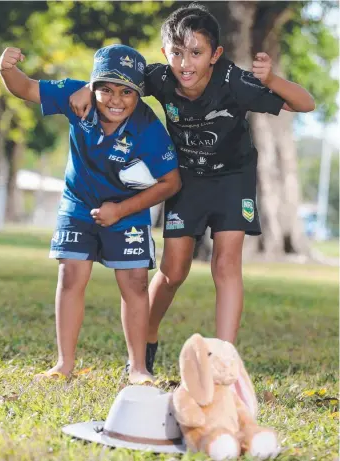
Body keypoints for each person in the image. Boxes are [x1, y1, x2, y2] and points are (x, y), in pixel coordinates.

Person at [69, 4, 315, 377]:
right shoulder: (161, 78)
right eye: (177, 53)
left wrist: (272, 80)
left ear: (214, 55)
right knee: (173, 269)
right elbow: (115, 78)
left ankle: (224, 359)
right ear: (165, 52)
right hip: (187, 180)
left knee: (227, 263)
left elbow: (306, 103)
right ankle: (146, 340)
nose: (186, 63)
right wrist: (88, 88)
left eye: (196, 53)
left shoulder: (234, 82)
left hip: (233, 178)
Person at [0, 44, 181, 385]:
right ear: (92, 86)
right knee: (70, 276)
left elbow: (170, 182)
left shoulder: (148, 128)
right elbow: (25, 88)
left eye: (127, 91)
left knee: (136, 283)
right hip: (78, 204)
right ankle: (64, 365)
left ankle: (138, 368)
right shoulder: (76, 98)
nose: (116, 99)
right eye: (106, 89)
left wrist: (121, 210)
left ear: (138, 94)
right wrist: (6, 69)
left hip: (127, 210)